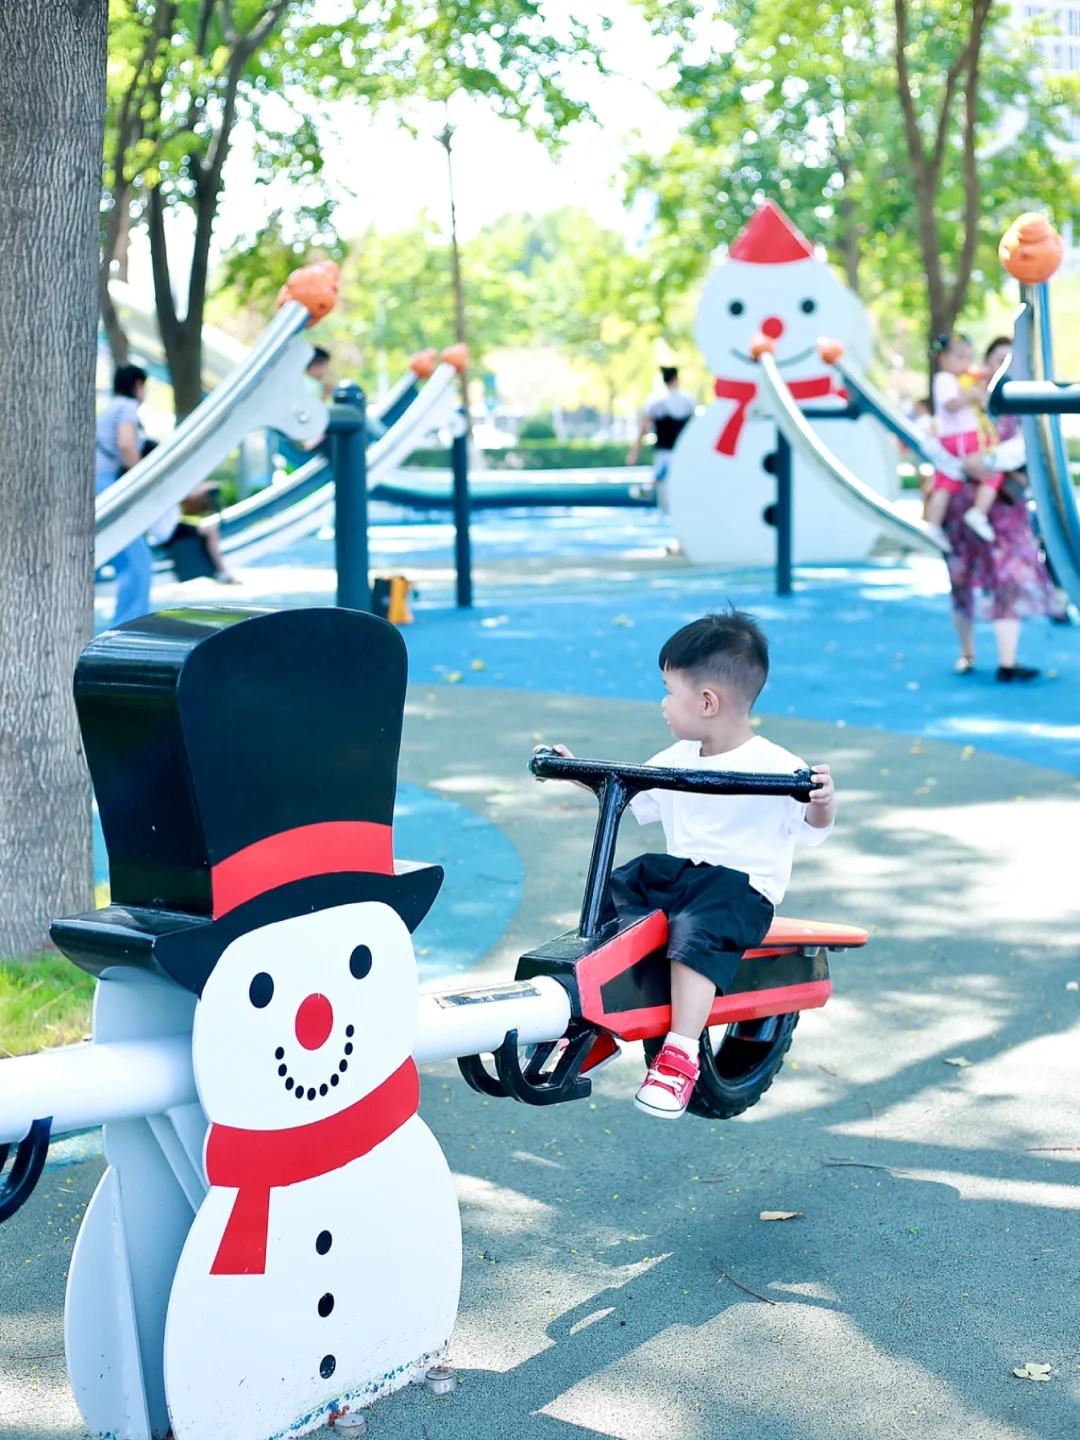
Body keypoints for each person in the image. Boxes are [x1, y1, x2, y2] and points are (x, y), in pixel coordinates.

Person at [537, 610, 836, 1120]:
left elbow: (813, 826)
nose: (663, 704)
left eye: (669, 692)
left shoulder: (778, 766)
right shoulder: (678, 757)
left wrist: (823, 799)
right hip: (682, 877)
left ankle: (680, 1053)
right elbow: (631, 795)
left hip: (741, 891)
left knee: (702, 918)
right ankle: (595, 1024)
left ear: (707, 702)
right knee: (623, 884)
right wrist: (576, 770)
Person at [942, 336, 1054, 679]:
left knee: (1008, 578)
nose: (1004, 366)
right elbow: (942, 438)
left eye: (1010, 359)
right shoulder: (967, 397)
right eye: (998, 360)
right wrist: (966, 463)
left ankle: (1007, 660)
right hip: (963, 504)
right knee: (961, 577)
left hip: (1003, 509)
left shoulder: (1024, 406)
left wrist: (987, 460)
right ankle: (967, 654)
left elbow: (1026, 448)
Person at [923, 333, 1002, 546]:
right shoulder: (945, 379)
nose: (965, 364)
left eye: (968, 358)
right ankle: (978, 512)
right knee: (994, 467)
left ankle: (934, 525)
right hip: (961, 438)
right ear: (943, 358)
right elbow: (951, 404)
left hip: (955, 439)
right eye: (959, 358)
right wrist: (972, 395)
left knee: (945, 482)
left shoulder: (959, 380)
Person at [96, 364, 154, 628]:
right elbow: (126, 445)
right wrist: (142, 476)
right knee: (137, 561)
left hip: (99, 485)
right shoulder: (127, 408)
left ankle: (128, 622)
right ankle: (130, 626)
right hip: (108, 486)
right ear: (137, 385)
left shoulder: (110, 407)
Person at [628, 366, 696, 512]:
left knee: (663, 487)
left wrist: (634, 452)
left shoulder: (655, 401)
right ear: (676, 378)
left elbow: (644, 428)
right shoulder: (688, 401)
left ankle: (650, 486)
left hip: (663, 451)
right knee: (679, 487)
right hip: (683, 452)